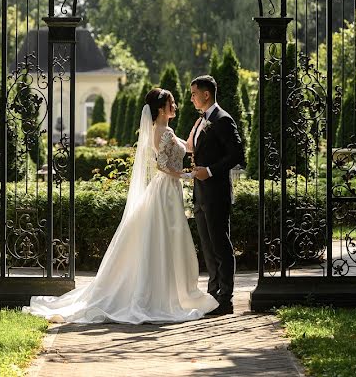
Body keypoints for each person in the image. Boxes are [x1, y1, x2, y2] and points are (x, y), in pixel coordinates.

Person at [23, 88, 218, 324]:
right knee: (165, 238)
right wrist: (185, 176)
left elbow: (186, 147)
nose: (175, 106)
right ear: (160, 108)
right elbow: (162, 165)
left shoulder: (165, 130)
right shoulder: (163, 132)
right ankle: (162, 294)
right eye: (171, 103)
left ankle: (169, 291)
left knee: (167, 238)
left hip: (168, 189)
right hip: (166, 188)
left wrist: (199, 128)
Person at [187, 75, 246, 316]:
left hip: (217, 193)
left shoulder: (223, 120)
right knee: (208, 247)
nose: (191, 98)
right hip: (201, 195)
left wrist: (209, 171)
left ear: (206, 94)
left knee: (221, 245)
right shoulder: (202, 120)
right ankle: (212, 294)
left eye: (193, 93)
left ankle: (226, 298)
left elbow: (237, 155)